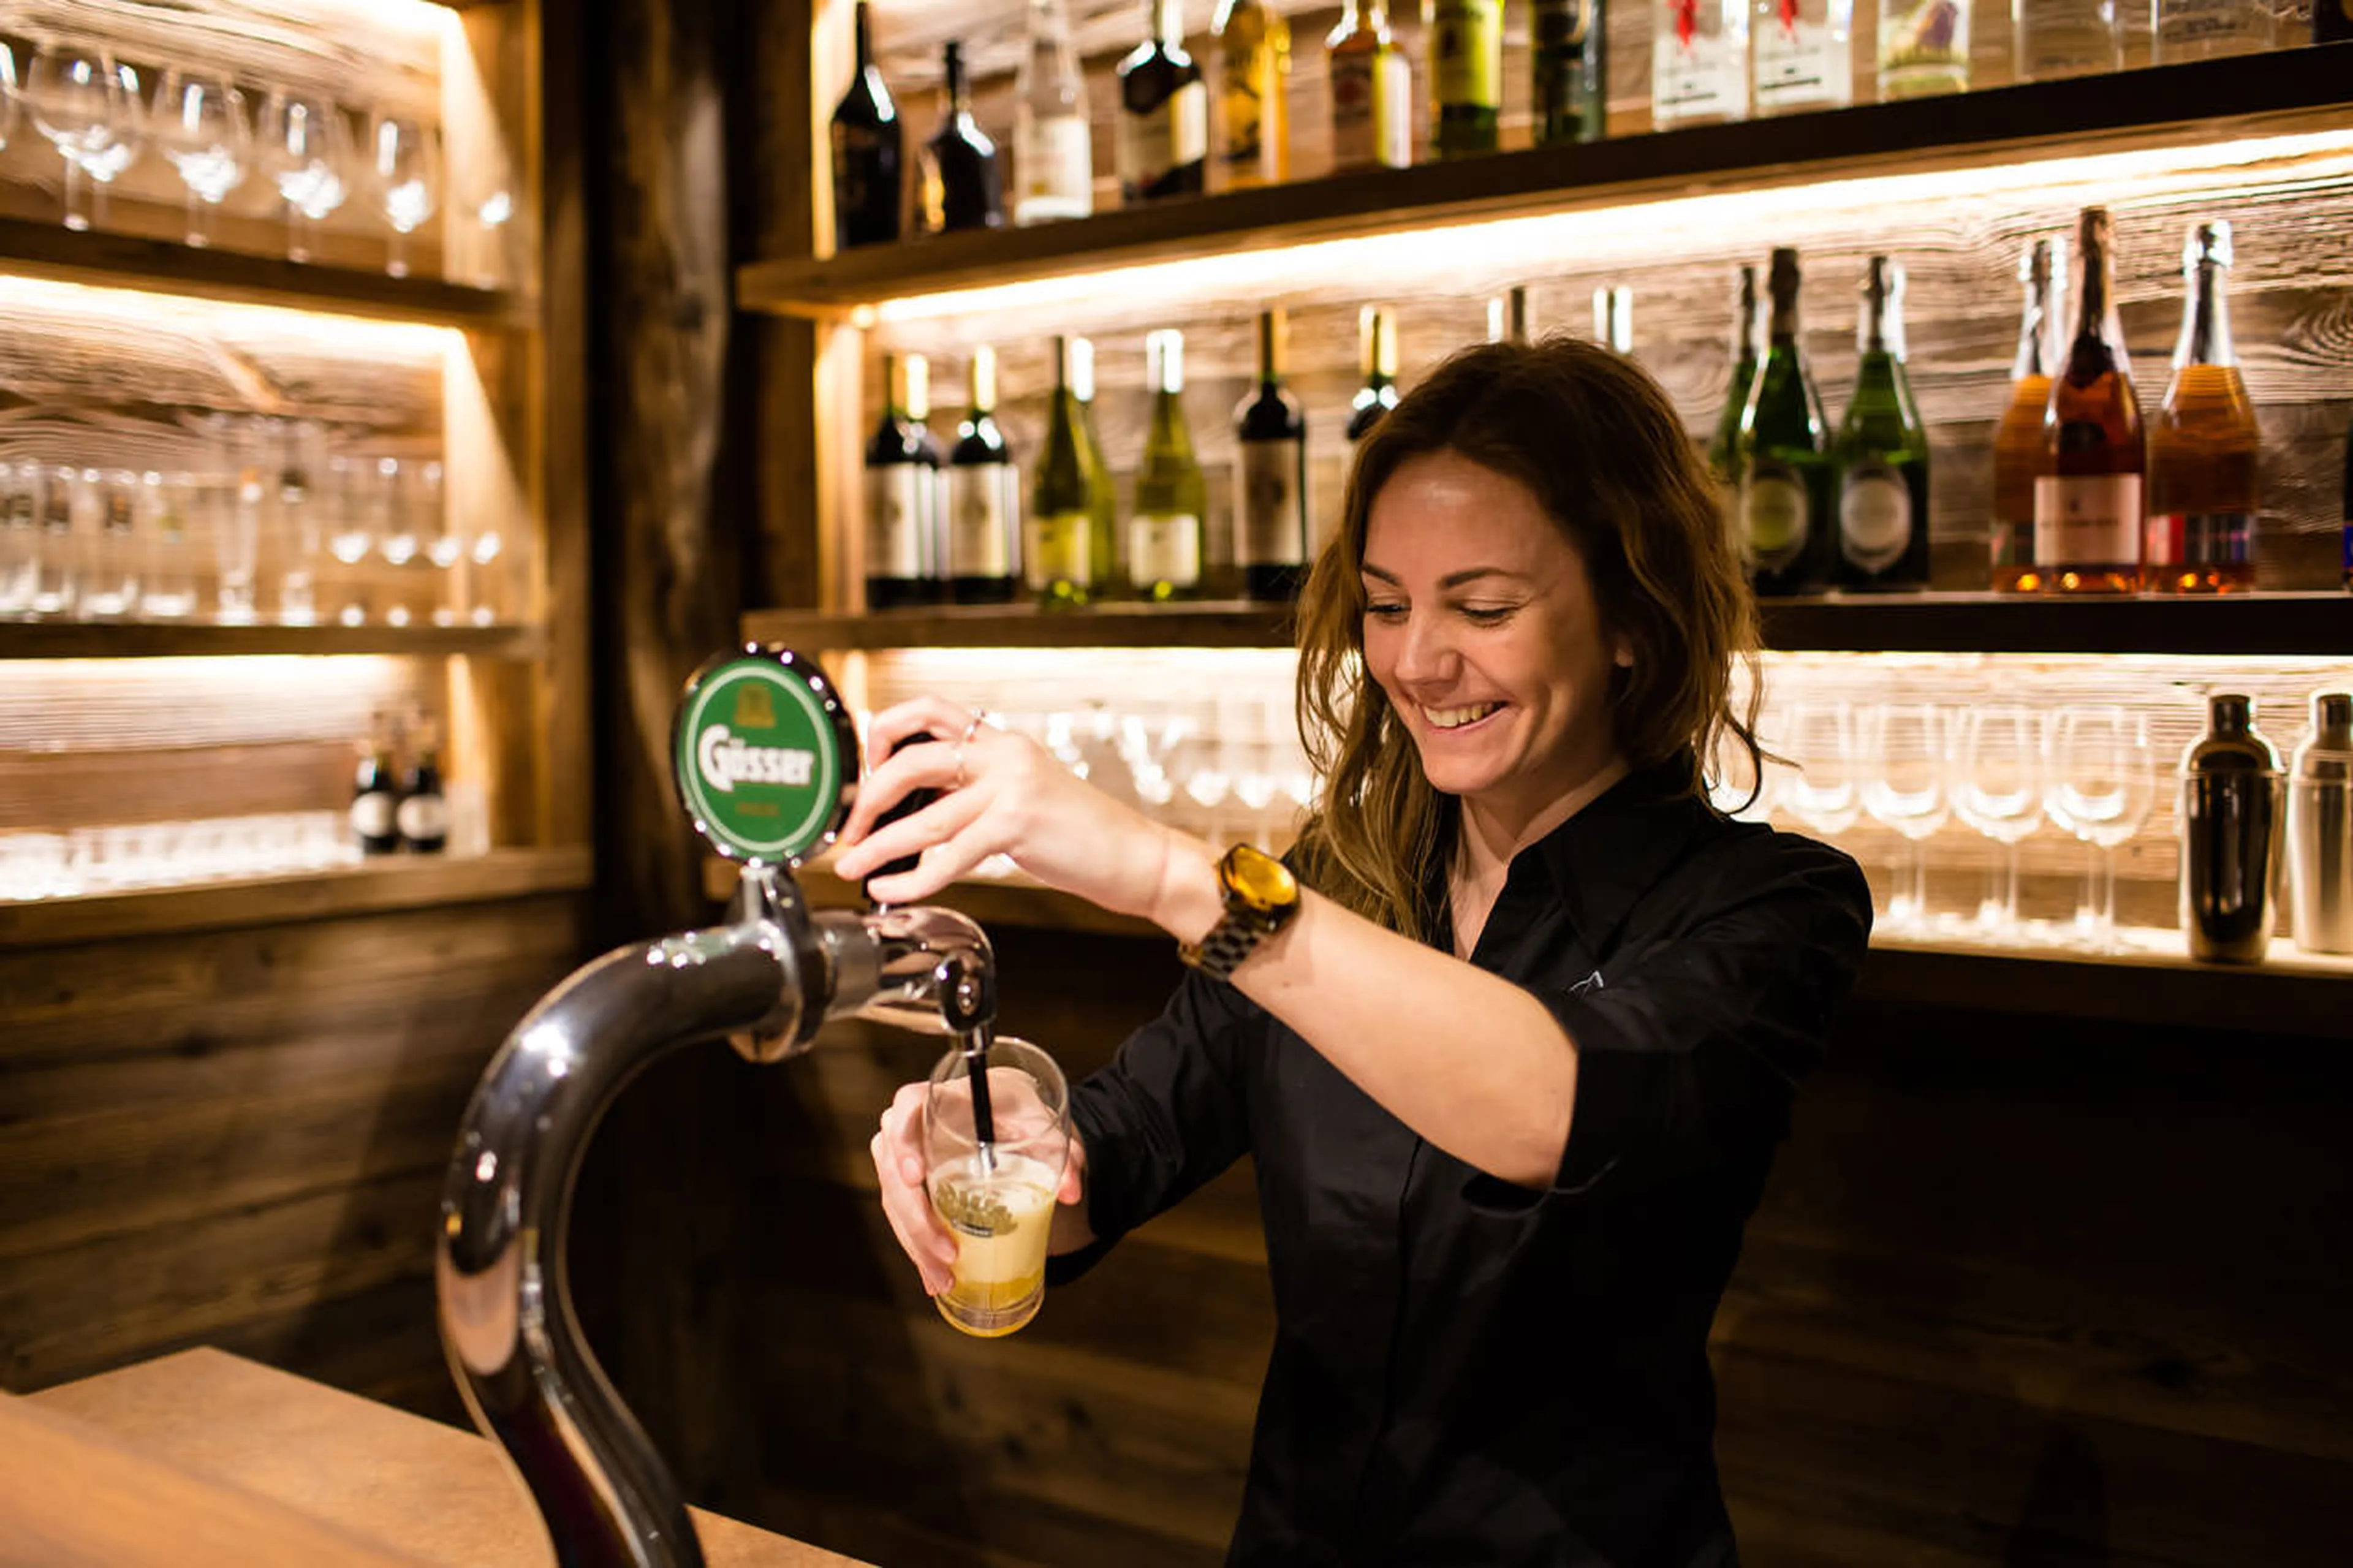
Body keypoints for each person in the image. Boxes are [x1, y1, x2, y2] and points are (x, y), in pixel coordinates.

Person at [832, 335, 1873, 1567]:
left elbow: (1558, 1104)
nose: (1420, 662)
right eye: (1387, 605)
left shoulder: (1767, 907)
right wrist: (1002, 1144)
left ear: (1633, 621)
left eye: (1482, 608)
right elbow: (1113, 1158)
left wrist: (1168, 874)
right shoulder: (1336, 882)